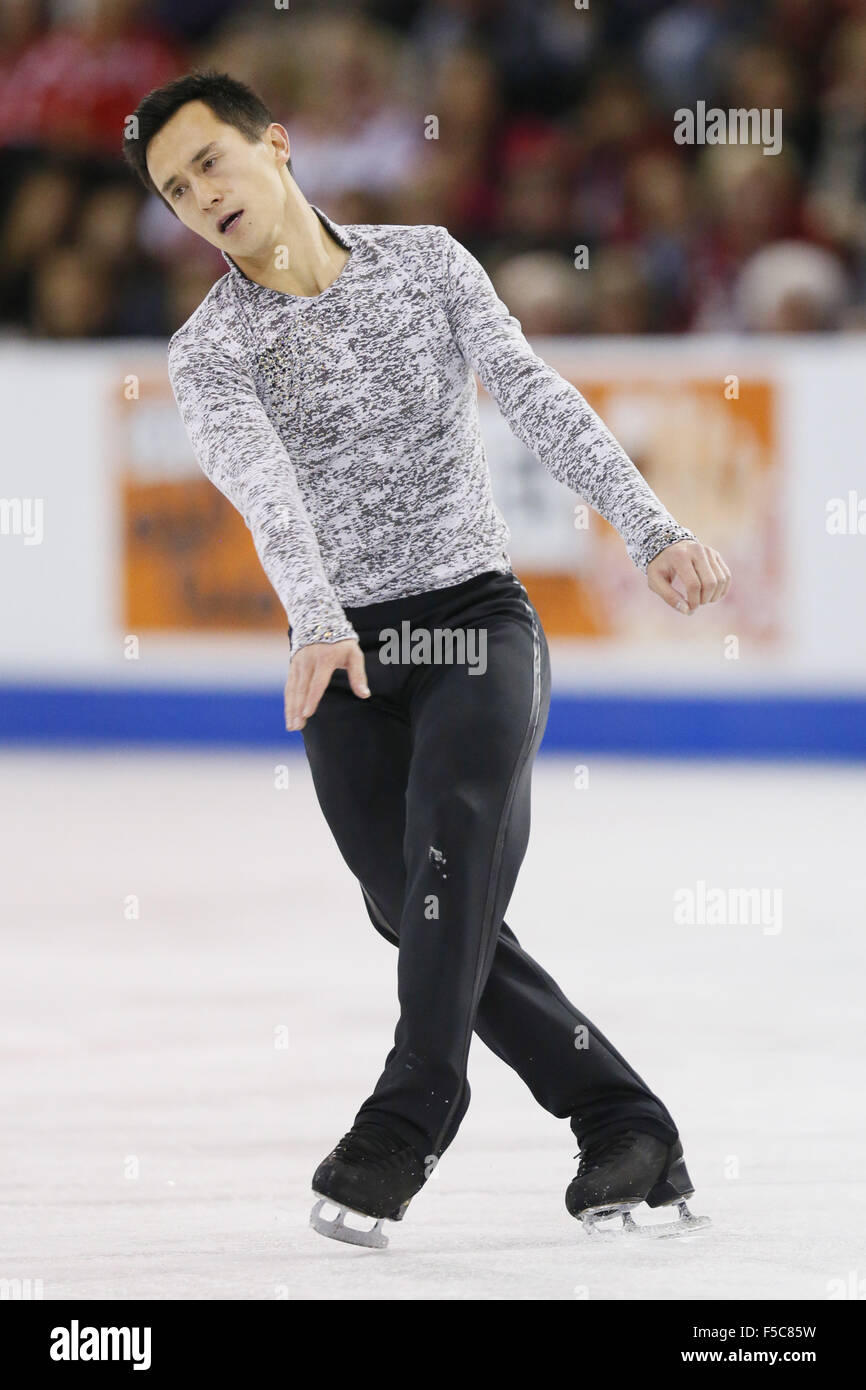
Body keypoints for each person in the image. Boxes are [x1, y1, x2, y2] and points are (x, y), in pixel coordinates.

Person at [123, 70, 730, 1248]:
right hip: (343, 651)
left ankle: (410, 1114)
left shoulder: (427, 262)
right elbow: (267, 494)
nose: (201, 197)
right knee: (418, 911)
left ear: (277, 145)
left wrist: (651, 526)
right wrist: (313, 617)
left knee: (450, 823)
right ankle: (622, 1118)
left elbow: (536, 398)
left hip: (473, 626)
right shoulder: (210, 350)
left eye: (211, 163)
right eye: (174, 189)